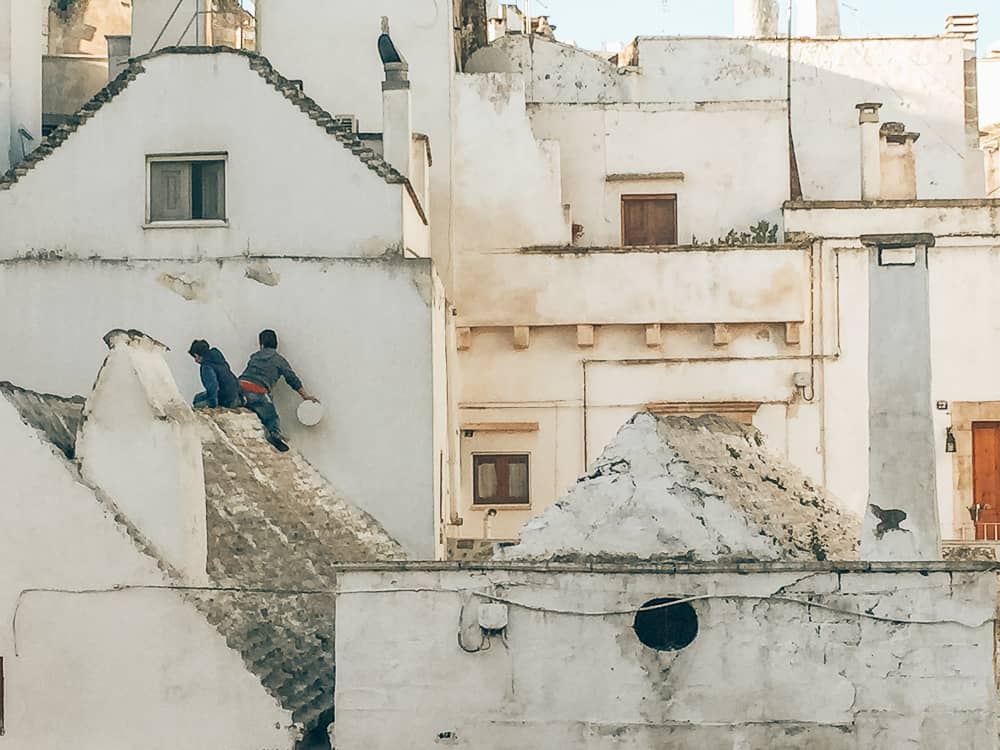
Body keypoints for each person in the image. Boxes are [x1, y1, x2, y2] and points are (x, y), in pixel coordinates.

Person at [239, 329, 318, 451]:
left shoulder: (254, 357)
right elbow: (292, 379)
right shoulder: (279, 360)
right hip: (258, 391)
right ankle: (274, 434)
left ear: (261, 344)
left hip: (239, 387)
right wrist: (305, 396)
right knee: (271, 417)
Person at [188, 339, 242, 409]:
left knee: (197, 402)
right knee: (198, 397)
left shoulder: (206, 367)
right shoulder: (219, 359)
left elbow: (213, 387)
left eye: (195, 357)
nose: (195, 360)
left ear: (197, 355)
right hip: (234, 395)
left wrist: (212, 405)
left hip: (226, 400)